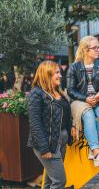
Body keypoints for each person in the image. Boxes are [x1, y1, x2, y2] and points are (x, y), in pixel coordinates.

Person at [67, 35, 99, 167]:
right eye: (95, 48)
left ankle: (94, 152)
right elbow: (70, 90)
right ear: (86, 50)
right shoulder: (74, 67)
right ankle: (97, 152)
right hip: (80, 101)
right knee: (88, 115)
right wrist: (86, 98)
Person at [27, 61, 73, 189]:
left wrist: (72, 127)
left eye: (59, 72)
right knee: (59, 181)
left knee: (50, 181)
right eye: (57, 73)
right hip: (47, 142)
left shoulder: (58, 91)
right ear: (47, 74)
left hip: (61, 138)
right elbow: (35, 123)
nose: (60, 76)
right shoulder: (36, 94)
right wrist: (44, 148)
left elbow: (66, 114)